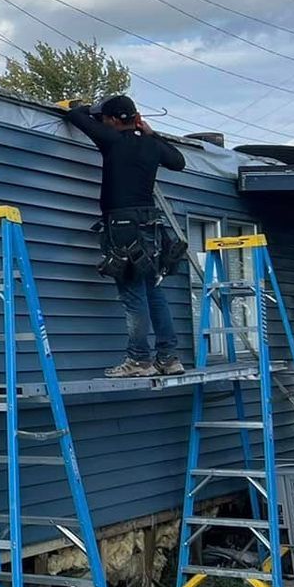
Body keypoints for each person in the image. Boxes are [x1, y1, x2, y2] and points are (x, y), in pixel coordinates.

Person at [63, 95, 188, 377]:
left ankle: (139, 361)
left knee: (133, 296)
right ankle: (168, 358)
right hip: (150, 225)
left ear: (114, 120)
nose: (102, 122)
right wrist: (150, 132)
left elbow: (75, 116)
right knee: (154, 291)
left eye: (105, 118)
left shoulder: (113, 141)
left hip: (123, 226)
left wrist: (85, 108)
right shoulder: (152, 144)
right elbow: (178, 162)